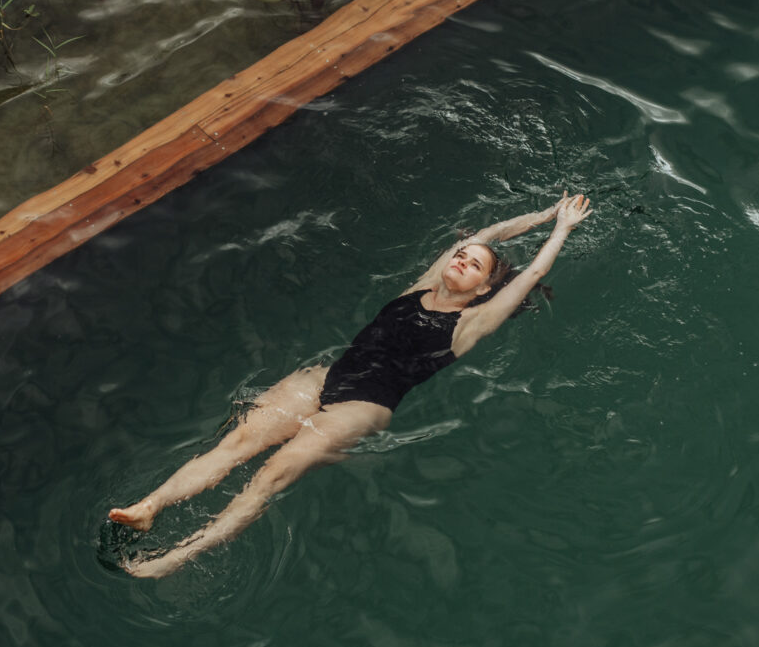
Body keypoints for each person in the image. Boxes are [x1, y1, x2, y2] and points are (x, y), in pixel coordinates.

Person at [109, 191, 592, 578]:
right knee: (237, 442)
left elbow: (533, 272)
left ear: (486, 288)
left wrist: (562, 229)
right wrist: (546, 211)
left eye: (475, 265)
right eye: (462, 254)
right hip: (326, 378)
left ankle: (173, 558)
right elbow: (488, 232)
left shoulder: (472, 323)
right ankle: (150, 506)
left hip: (366, 404)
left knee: (270, 475)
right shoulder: (421, 285)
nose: (463, 259)